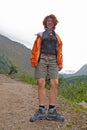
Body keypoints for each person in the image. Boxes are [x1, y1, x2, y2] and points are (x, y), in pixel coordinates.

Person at [29, 14, 64, 122]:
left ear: (54, 23)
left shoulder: (57, 37)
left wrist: (60, 63)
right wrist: (34, 60)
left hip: (53, 59)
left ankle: (52, 111)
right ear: (45, 23)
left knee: (55, 83)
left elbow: (60, 51)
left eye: (52, 21)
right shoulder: (40, 35)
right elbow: (35, 49)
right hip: (42, 58)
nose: (50, 22)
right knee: (41, 83)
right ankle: (41, 110)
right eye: (48, 21)